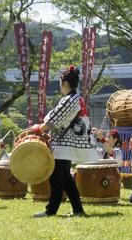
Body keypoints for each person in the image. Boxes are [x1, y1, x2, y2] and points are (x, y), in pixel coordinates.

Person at [31, 65, 98, 217]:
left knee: (56, 179)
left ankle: (51, 211)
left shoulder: (69, 100)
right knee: (66, 179)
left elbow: (54, 119)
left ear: (66, 84)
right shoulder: (76, 98)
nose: (60, 86)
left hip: (64, 144)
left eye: (61, 83)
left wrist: (40, 128)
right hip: (66, 143)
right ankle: (78, 210)